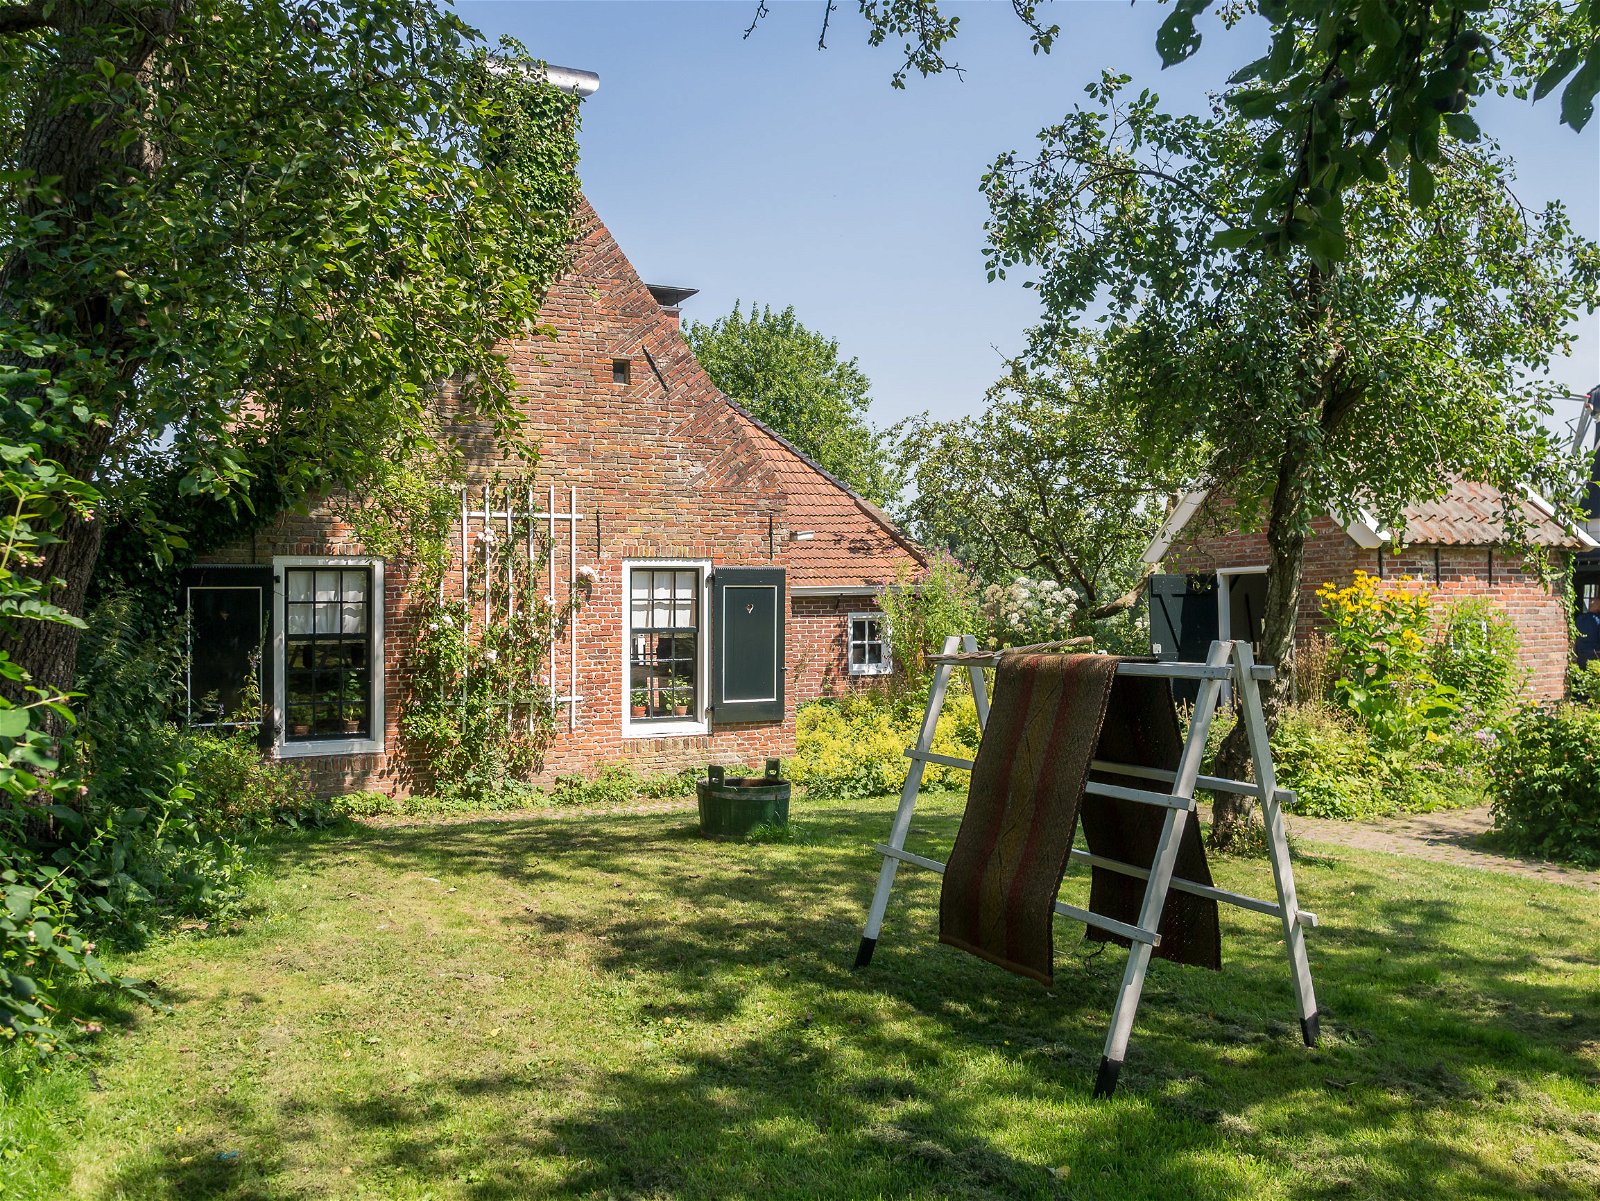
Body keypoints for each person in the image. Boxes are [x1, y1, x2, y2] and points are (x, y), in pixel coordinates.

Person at [1576, 595, 1600, 668]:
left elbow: (1574, 637)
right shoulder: (1598, 620)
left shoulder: (1579, 618)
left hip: (1580, 653)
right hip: (1595, 654)